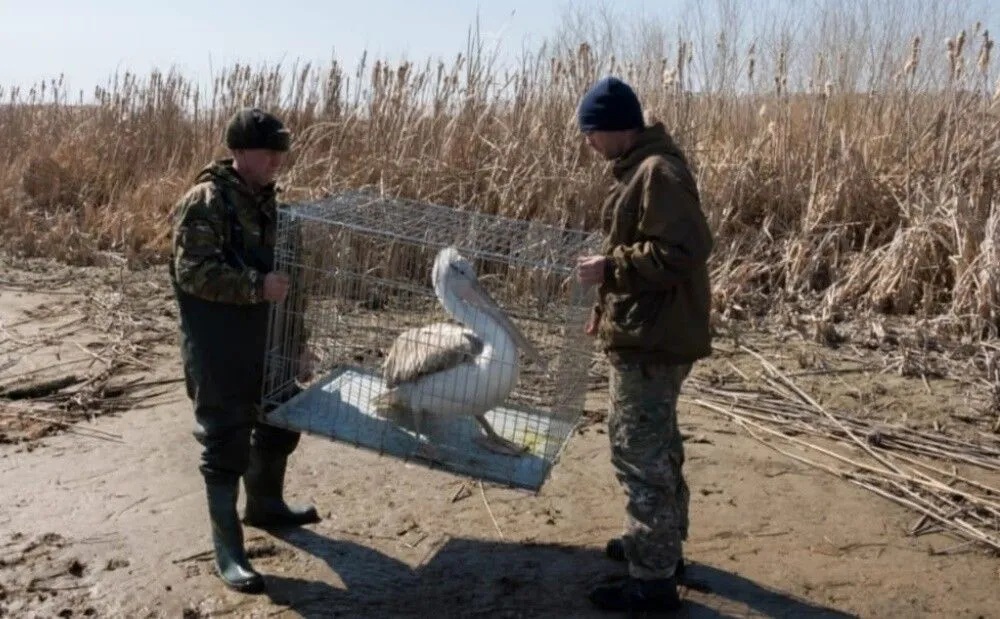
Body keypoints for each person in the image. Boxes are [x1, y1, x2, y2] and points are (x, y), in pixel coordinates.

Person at [574, 76, 714, 613]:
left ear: (616, 127)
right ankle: (659, 548)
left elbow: (685, 250)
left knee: (640, 453)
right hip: (646, 330)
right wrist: (605, 306)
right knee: (658, 446)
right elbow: (644, 252)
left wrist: (611, 268)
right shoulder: (642, 169)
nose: (589, 142)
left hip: (654, 341)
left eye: (592, 131)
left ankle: (652, 581)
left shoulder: (658, 172)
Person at [169, 107, 320, 594]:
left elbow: (292, 286)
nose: (277, 160)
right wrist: (257, 286)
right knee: (225, 439)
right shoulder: (206, 202)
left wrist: (298, 344)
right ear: (237, 152)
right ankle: (228, 549)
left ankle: (265, 505)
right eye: (267, 151)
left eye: (281, 152)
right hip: (218, 345)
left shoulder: (276, 206)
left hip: (269, 341)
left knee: (281, 417)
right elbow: (192, 273)